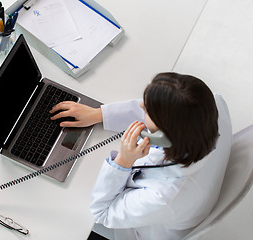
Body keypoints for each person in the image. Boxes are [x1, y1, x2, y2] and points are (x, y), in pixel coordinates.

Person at [50, 72, 232, 240]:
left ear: (164, 135)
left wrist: (123, 162)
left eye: (146, 111)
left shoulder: (164, 196)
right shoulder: (211, 106)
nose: (139, 106)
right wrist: (99, 114)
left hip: (137, 229)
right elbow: (167, 109)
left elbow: (101, 213)